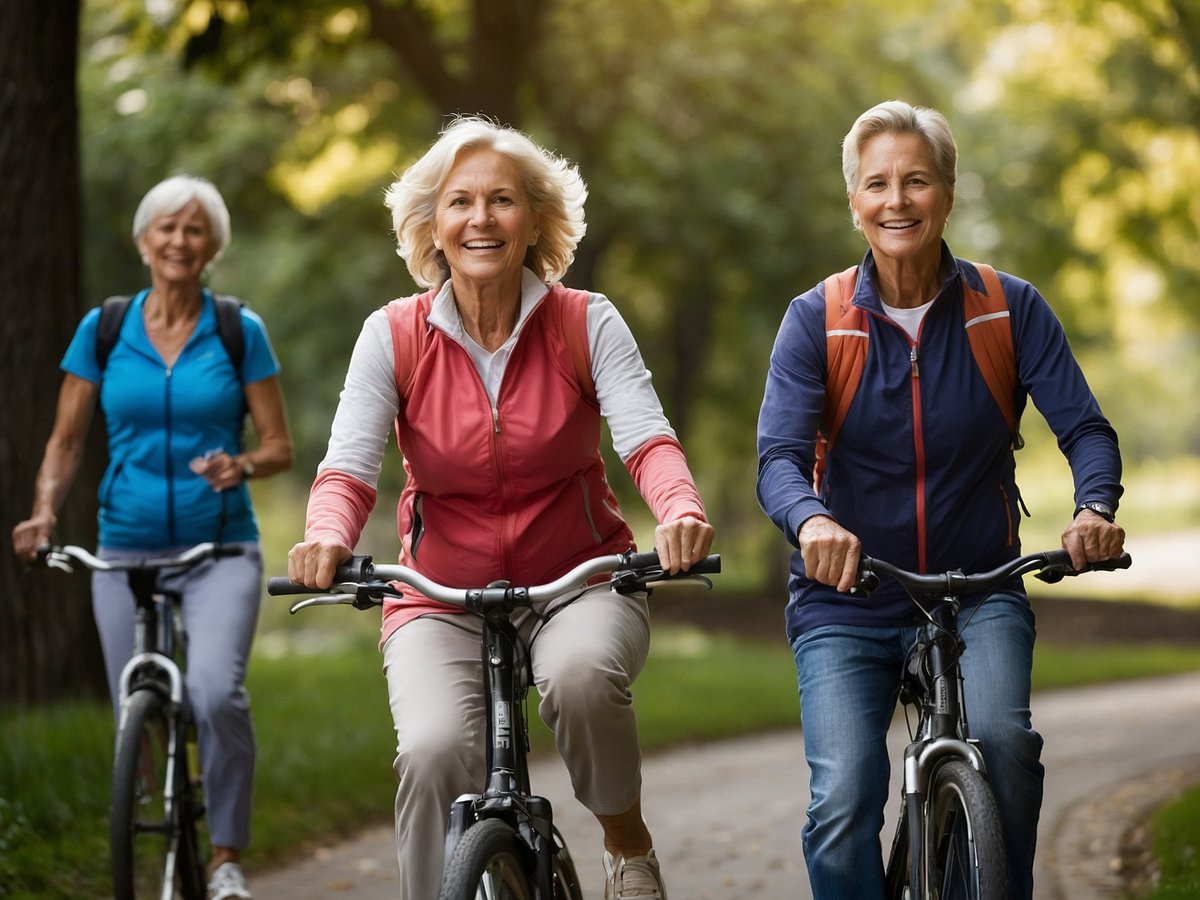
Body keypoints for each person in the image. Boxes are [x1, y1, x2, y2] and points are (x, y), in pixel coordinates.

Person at [286, 116, 713, 900]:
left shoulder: (587, 322)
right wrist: (324, 537)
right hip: (440, 594)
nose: (480, 219)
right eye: (460, 203)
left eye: (503, 200)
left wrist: (679, 510)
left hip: (576, 582)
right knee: (432, 750)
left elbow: (647, 441)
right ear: (432, 227)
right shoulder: (393, 335)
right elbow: (347, 468)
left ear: (537, 221)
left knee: (582, 678)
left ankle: (628, 847)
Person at [755, 99, 1126, 900]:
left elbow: (1087, 430)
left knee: (1004, 744)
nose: (897, 201)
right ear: (854, 201)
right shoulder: (817, 321)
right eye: (878, 184)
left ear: (948, 192)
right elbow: (779, 460)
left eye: (916, 180)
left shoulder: (1008, 307)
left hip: (980, 587)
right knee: (845, 796)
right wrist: (813, 520)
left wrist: (1093, 507)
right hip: (850, 598)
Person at [12, 174, 293, 900]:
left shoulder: (238, 330)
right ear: (144, 241)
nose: (179, 239)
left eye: (194, 229)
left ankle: (226, 854)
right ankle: (166, 794)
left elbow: (280, 446)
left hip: (218, 551)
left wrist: (244, 464)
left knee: (216, 693)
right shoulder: (104, 329)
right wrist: (44, 511)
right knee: (133, 706)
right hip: (124, 550)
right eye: (167, 227)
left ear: (212, 248)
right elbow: (66, 441)